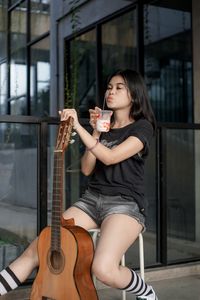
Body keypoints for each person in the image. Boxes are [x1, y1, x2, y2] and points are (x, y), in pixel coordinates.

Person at [0, 69, 158, 300]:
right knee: (39, 248)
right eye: (109, 87)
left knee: (103, 269)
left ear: (134, 94)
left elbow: (110, 158)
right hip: (92, 200)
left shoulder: (142, 127)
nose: (110, 91)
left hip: (125, 205)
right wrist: (95, 131)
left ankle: (146, 292)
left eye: (118, 87)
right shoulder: (105, 126)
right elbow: (86, 168)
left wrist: (79, 127)